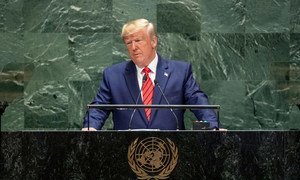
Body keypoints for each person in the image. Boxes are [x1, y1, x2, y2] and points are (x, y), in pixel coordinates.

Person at [82, 18, 218, 131]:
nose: (133, 47)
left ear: (153, 41)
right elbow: (98, 108)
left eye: (138, 40)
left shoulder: (180, 72)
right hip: (126, 153)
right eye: (129, 42)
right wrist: (91, 127)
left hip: (170, 153)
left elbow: (198, 102)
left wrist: (213, 127)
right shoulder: (113, 75)